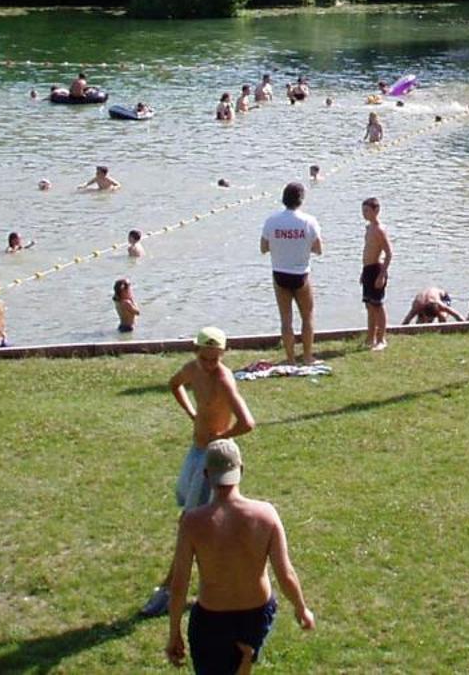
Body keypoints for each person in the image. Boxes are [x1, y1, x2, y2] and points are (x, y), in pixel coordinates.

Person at [163, 436, 314, 672]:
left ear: (206, 475)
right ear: (241, 470)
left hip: (212, 619)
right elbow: (285, 573)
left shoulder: (192, 523)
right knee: (243, 661)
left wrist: (174, 633)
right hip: (256, 615)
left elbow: (180, 583)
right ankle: (245, 662)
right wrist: (301, 608)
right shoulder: (266, 515)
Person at [141, 327, 257, 619]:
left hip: (211, 458)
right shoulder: (192, 369)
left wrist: (222, 437)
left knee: (188, 522)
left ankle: (168, 590)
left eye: (214, 359)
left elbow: (248, 422)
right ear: (197, 352)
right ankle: (225, 566)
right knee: (184, 499)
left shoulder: (224, 380)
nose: (209, 365)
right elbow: (174, 384)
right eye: (205, 358)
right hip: (195, 450)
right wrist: (192, 414)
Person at [259, 183, 323, 366]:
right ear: (301, 199)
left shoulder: (272, 221)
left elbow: (263, 248)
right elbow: (318, 249)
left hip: (280, 273)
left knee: (286, 319)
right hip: (301, 273)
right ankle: (308, 356)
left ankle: (290, 358)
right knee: (307, 316)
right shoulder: (308, 221)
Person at [359, 196, 392, 351]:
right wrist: (362, 272)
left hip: (376, 269)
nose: (364, 213)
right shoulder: (369, 228)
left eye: (367, 210)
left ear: (376, 210)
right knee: (369, 305)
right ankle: (370, 337)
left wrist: (382, 274)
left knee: (377, 305)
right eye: (363, 210)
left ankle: (381, 339)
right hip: (367, 269)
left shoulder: (379, 229)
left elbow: (389, 253)